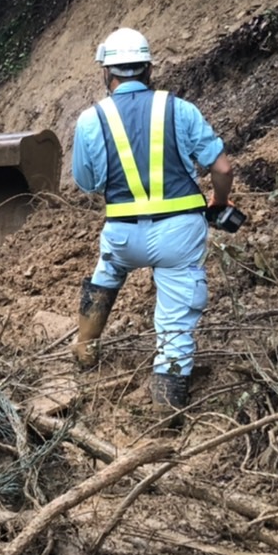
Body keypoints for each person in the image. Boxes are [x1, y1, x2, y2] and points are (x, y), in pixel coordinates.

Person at [69, 26, 234, 411]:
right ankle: (165, 407)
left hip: (123, 235)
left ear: (106, 73)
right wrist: (218, 201)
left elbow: (88, 182)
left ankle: (84, 349)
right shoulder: (179, 109)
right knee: (176, 320)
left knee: (106, 273)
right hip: (179, 233)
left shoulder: (91, 119)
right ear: (148, 69)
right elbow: (222, 168)